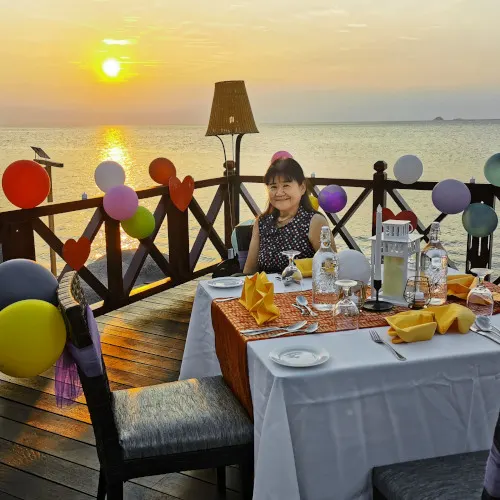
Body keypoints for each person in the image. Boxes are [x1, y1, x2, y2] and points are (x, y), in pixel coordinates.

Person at [243, 158, 336, 275]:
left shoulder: (314, 221)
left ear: (302, 188)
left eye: (286, 185)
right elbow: (249, 271)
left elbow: (331, 270)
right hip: (268, 290)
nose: (279, 193)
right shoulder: (262, 222)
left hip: (302, 289)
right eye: (273, 187)